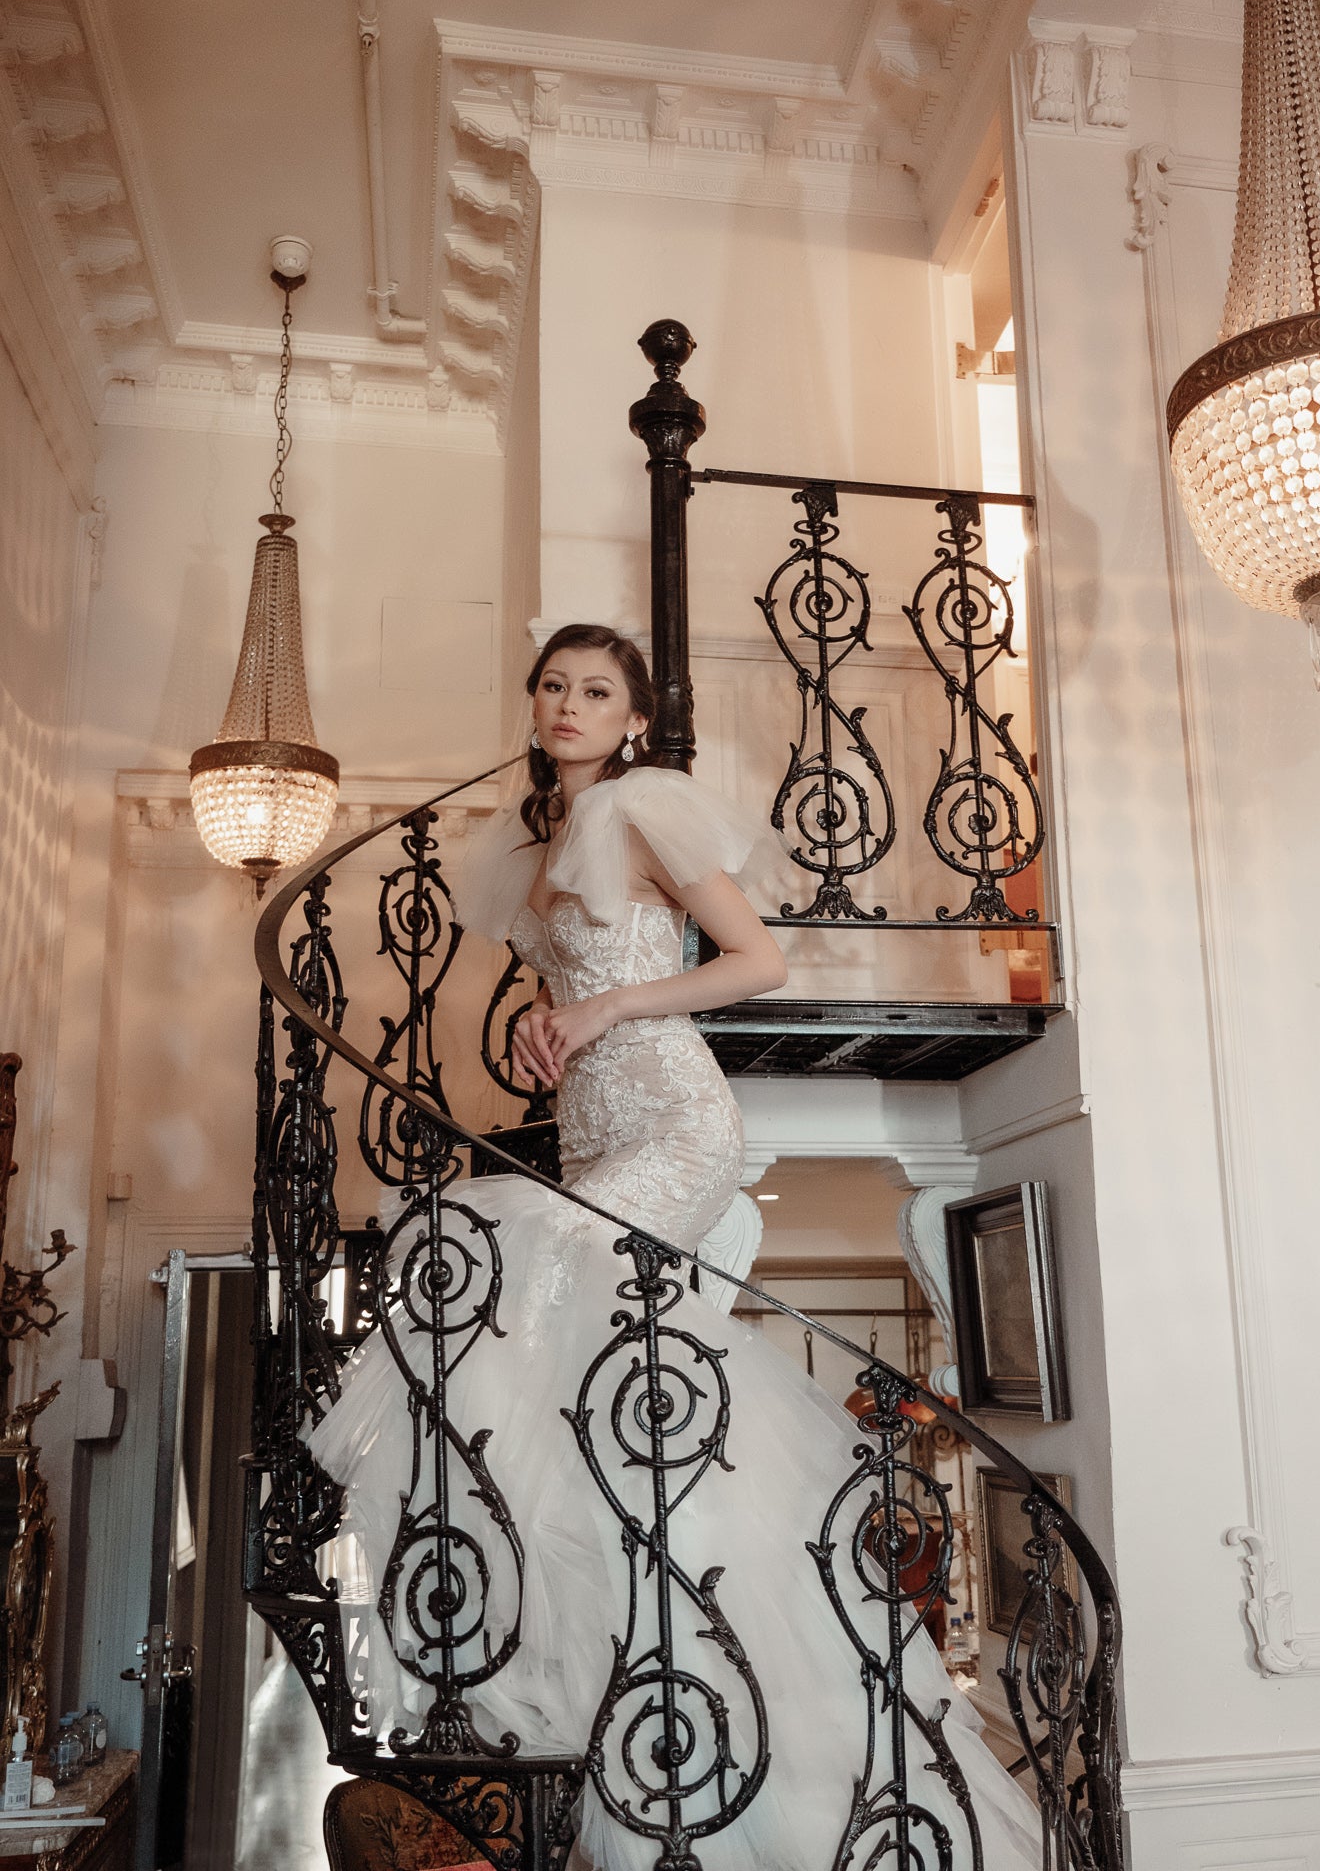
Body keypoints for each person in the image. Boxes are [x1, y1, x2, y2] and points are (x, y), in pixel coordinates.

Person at [308, 624, 1042, 1871]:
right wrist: (555, 1022)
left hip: (674, 1114)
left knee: (513, 1280)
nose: (568, 704)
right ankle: (630, 1656)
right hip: (593, 1125)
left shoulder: (645, 810)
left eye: (595, 690)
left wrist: (599, 1005)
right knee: (584, 1394)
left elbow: (760, 959)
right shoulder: (533, 835)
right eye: (552, 685)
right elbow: (573, 969)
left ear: (632, 714)